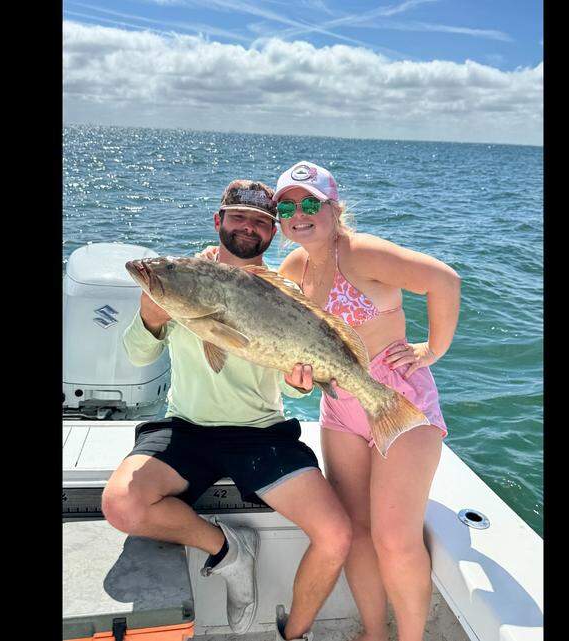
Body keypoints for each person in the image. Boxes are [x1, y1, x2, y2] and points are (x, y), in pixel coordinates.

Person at [102, 179, 352, 641]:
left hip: (261, 432)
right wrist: (152, 316)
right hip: (186, 428)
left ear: (272, 233)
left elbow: (288, 386)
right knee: (121, 505)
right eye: (238, 217)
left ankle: (293, 634)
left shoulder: (282, 292)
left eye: (261, 221)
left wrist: (300, 384)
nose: (249, 228)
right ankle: (230, 550)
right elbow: (137, 358)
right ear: (218, 221)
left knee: (336, 534)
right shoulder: (178, 275)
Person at [272, 162, 461, 641]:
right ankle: (374, 633)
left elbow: (445, 281)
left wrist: (431, 349)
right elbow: (283, 339)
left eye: (310, 202)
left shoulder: (363, 253)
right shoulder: (292, 269)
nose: (299, 213)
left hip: (398, 400)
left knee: (395, 541)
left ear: (334, 208)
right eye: (287, 206)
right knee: (356, 531)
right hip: (340, 407)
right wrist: (297, 381)